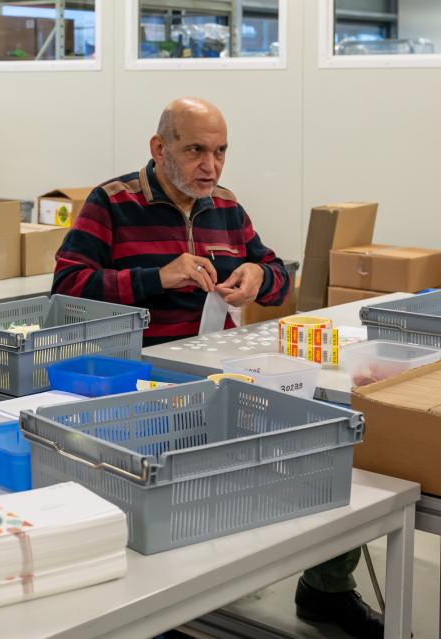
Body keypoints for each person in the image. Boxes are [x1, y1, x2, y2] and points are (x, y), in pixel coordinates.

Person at [52, 97, 381, 639]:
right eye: (196, 150)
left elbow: (278, 277)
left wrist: (256, 275)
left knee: (329, 430)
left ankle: (327, 587)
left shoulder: (225, 206)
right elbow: (66, 289)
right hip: (140, 375)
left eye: (221, 151)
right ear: (160, 149)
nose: (212, 166)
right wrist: (156, 279)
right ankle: (161, 604)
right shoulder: (112, 203)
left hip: (221, 370)